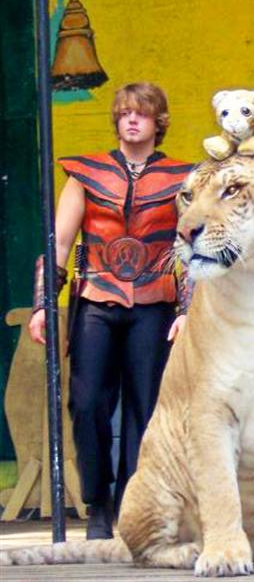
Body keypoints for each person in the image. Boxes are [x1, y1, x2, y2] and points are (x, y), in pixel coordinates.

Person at [29, 82, 193, 539]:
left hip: (154, 304)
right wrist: (45, 305)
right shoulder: (85, 173)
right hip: (96, 301)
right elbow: (58, 244)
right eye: (124, 114)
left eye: (141, 113)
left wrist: (188, 308)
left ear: (157, 121)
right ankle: (97, 502)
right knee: (87, 404)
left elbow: (190, 249)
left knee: (146, 407)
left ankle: (131, 503)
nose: (131, 120)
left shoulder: (183, 178)